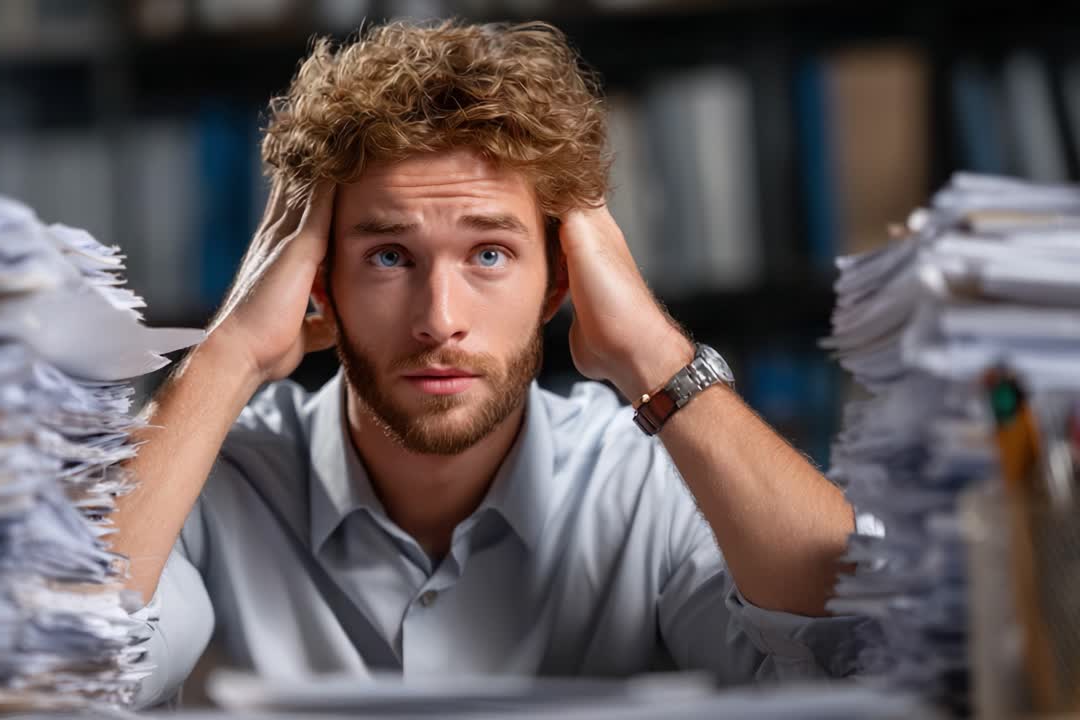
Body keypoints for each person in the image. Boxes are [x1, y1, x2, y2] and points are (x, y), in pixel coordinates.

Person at [112, 19, 866, 708]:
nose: (440, 321)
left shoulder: (648, 483)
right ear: (317, 284)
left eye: (491, 253)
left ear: (559, 281)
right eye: (388, 256)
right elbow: (52, 672)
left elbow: (861, 656)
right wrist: (228, 353)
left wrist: (656, 355)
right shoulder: (204, 484)